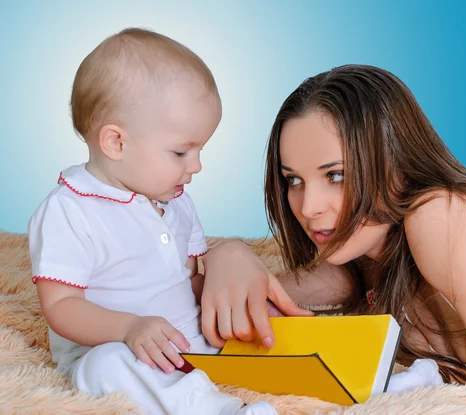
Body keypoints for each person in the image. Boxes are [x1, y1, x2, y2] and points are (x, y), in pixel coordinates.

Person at [200, 64, 466, 402]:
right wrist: (229, 254)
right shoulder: (368, 253)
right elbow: (271, 297)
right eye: (293, 180)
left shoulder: (441, 217)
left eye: (336, 175)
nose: (308, 207)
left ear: (398, 163)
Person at [27, 28, 284, 415]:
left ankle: (375, 382)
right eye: (181, 151)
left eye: (200, 149)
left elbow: (188, 278)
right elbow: (61, 305)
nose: (196, 166)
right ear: (116, 142)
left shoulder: (176, 202)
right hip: (114, 347)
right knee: (106, 369)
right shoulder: (70, 210)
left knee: (265, 339)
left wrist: (232, 305)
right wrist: (129, 329)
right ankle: (221, 410)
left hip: (188, 337)